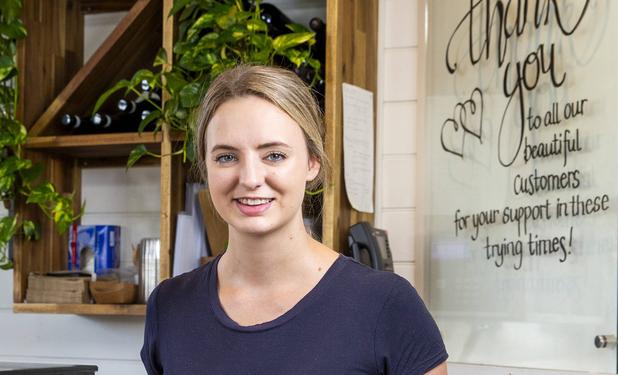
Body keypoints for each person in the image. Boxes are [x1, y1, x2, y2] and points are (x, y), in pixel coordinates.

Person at [141, 64, 448, 374]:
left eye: (274, 155)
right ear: (206, 167)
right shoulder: (168, 307)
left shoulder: (386, 305)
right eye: (227, 157)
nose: (250, 178)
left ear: (312, 162)